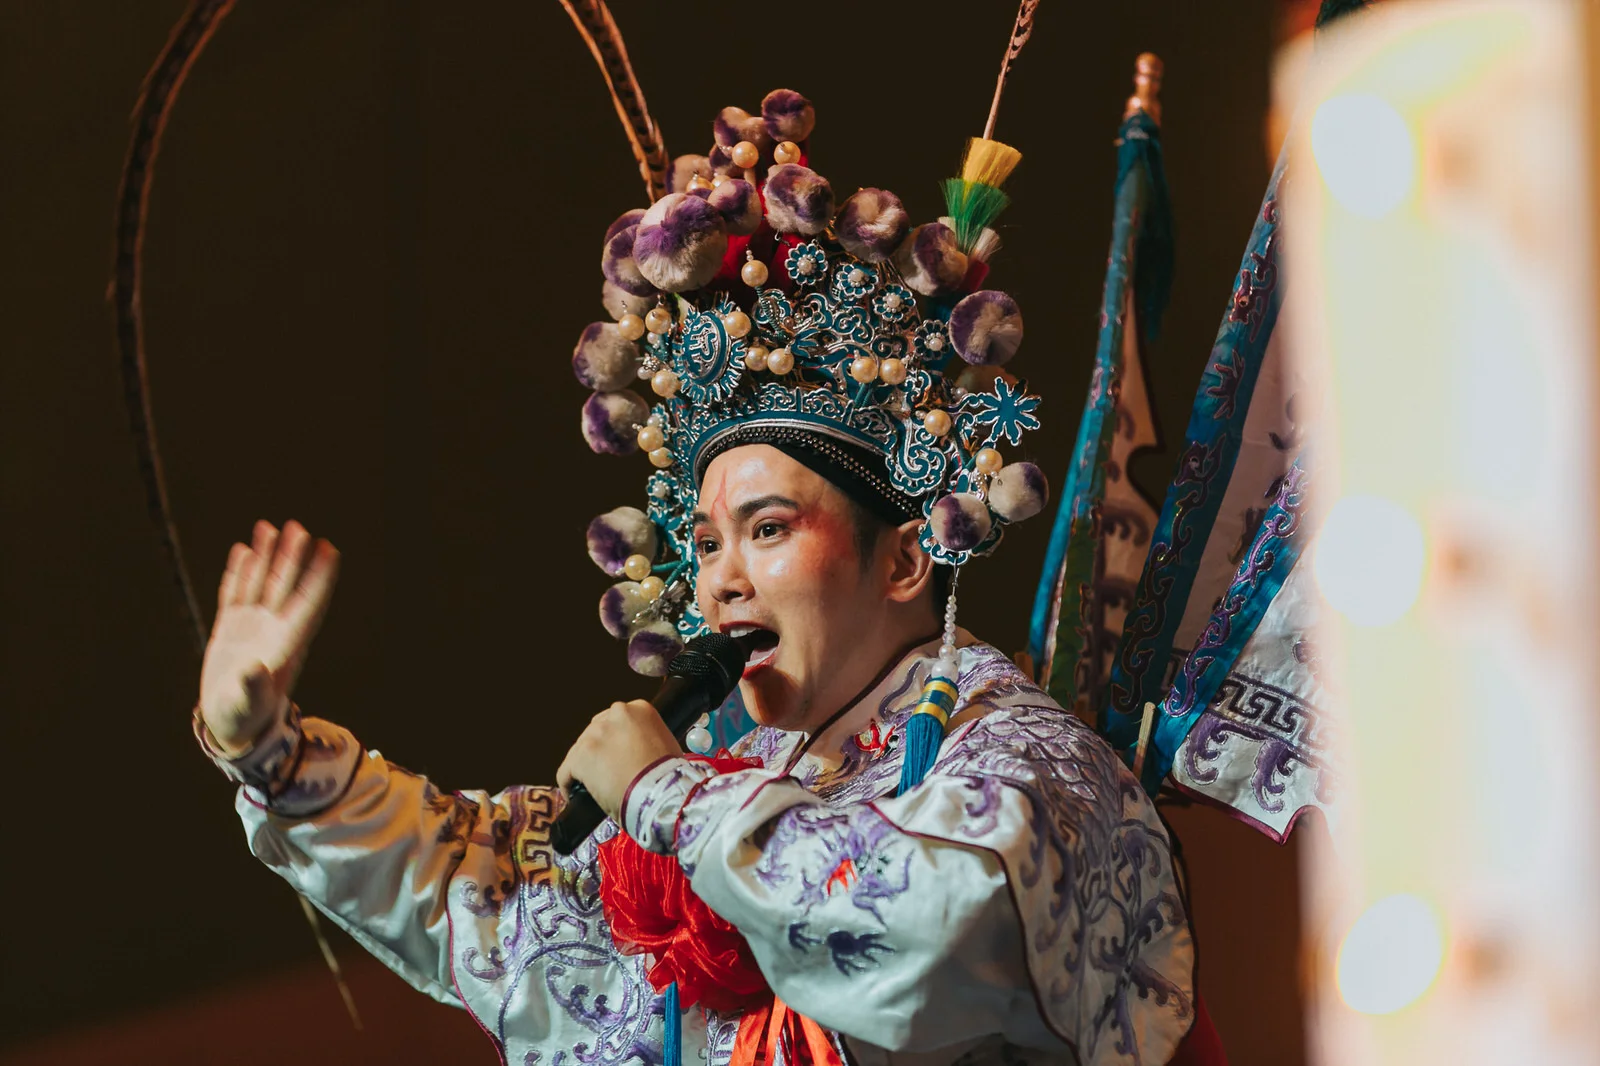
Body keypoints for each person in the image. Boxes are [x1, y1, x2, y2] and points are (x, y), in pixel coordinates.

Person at [193, 74, 1207, 1065]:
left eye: (766, 529)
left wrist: (666, 794)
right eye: (708, 542)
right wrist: (269, 750)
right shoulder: (731, 774)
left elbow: (933, 925)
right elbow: (485, 884)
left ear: (904, 557)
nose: (719, 580)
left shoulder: (1029, 761)